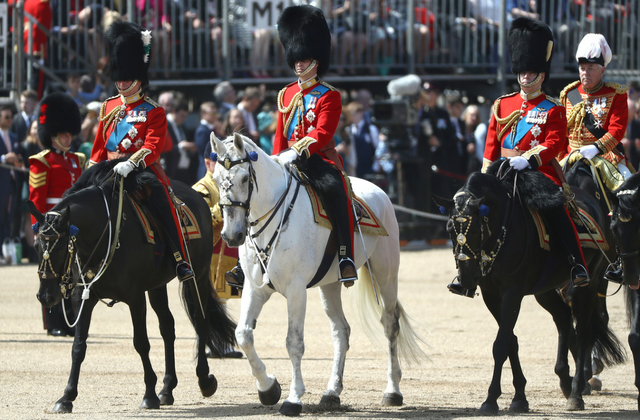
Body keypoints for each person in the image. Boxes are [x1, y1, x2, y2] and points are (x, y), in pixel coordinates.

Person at [449, 17, 589, 296]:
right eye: (523, 71)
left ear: (542, 74)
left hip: (537, 171)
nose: (526, 76)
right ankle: (465, 273)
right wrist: (484, 176)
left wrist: (530, 160)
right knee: (466, 211)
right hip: (501, 170)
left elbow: (555, 143)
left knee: (555, 207)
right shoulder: (503, 103)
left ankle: (577, 263)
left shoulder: (553, 108)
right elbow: (491, 143)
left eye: (532, 71)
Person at [89, 20, 194, 282]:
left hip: (140, 170)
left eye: (127, 79)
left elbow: (153, 147)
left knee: (163, 202)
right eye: (119, 79)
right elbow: (99, 147)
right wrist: (90, 171)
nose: (122, 84)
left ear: (139, 77)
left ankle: (179, 258)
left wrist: (131, 163)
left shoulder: (154, 110)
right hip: (106, 169)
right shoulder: (108, 107)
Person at [273, 4, 357, 285]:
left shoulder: (329, 95)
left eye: (305, 57)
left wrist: (298, 150)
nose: (299, 63)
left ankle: (345, 255)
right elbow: (279, 135)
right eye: (296, 58)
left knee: (336, 190)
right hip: (286, 158)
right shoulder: (285, 94)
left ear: (316, 60)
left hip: (317, 158)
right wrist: (275, 160)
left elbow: (323, 133)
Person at [29, 92, 83, 336]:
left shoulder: (77, 160)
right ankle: (54, 323)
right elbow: (37, 198)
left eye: (69, 133)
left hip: (72, 224)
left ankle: (71, 319)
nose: (68, 137)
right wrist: (36, 228)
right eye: (63, 133)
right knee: (51, 272)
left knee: (73, 273)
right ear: (52, 135)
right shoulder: (42, 161)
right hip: (51, 225)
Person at [560, 33, 632, 184]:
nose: (585, 73)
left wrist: (596, 148)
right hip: (571, 157)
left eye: (590, 68)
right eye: (582, 68)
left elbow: (617, 130)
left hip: (606, 156)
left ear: (602, 70)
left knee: (629, 192)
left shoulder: (616, 94)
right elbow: (561, 132)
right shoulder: (569, 94)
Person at [192, 142, 242, 358]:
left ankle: (219, 340)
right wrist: (223, 207)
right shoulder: (202, 188)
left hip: (226, 249)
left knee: (222, 298)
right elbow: (201, 220)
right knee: (208, 299)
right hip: (208, 250)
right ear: (208, 163)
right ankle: (209, 341)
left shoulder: (224, 185)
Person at [0, 105, 25, 261]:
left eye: (11, 117)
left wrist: (18, 163)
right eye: (6, 117)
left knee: (9, 218)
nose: (9, 120)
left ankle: (6, 253)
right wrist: (3, 159)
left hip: (12, 184)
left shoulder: (15, 137)